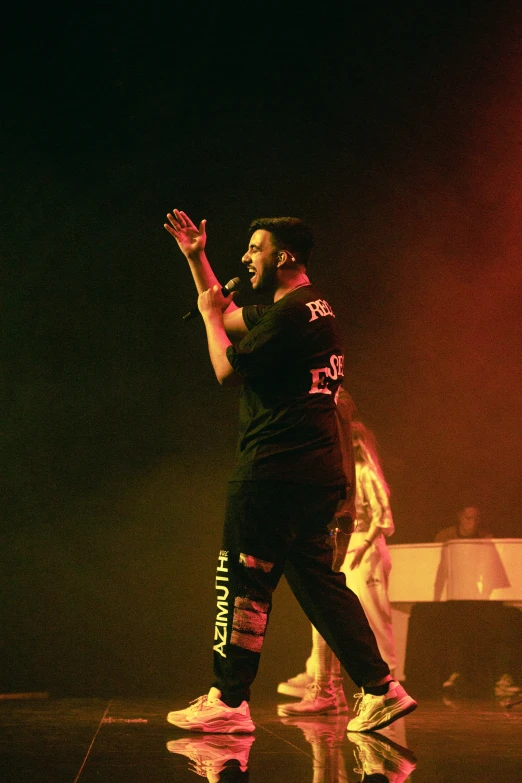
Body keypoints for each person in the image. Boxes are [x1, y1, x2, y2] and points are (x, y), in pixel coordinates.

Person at [163, 209, 416, 734]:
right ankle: (382, 688)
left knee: (243, 581)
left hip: (273, 468)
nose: (245, 257)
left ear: (283, 257)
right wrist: (196, 259)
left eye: (254, 249)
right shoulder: (312, 308)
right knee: (319, 585)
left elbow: (225, 364)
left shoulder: (289, 316)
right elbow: (230, 311)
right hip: (314, 471)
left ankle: (228, 700)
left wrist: (209, 320)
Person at [277, 418, 398, 716]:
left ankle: (384, 683)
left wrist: (361, 547)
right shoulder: (347, 474)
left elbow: (384, 520)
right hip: (350, 544)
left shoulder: (365, 473)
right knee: (332, 610)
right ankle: (324, 680)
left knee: (364, 614)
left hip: (362, 548)